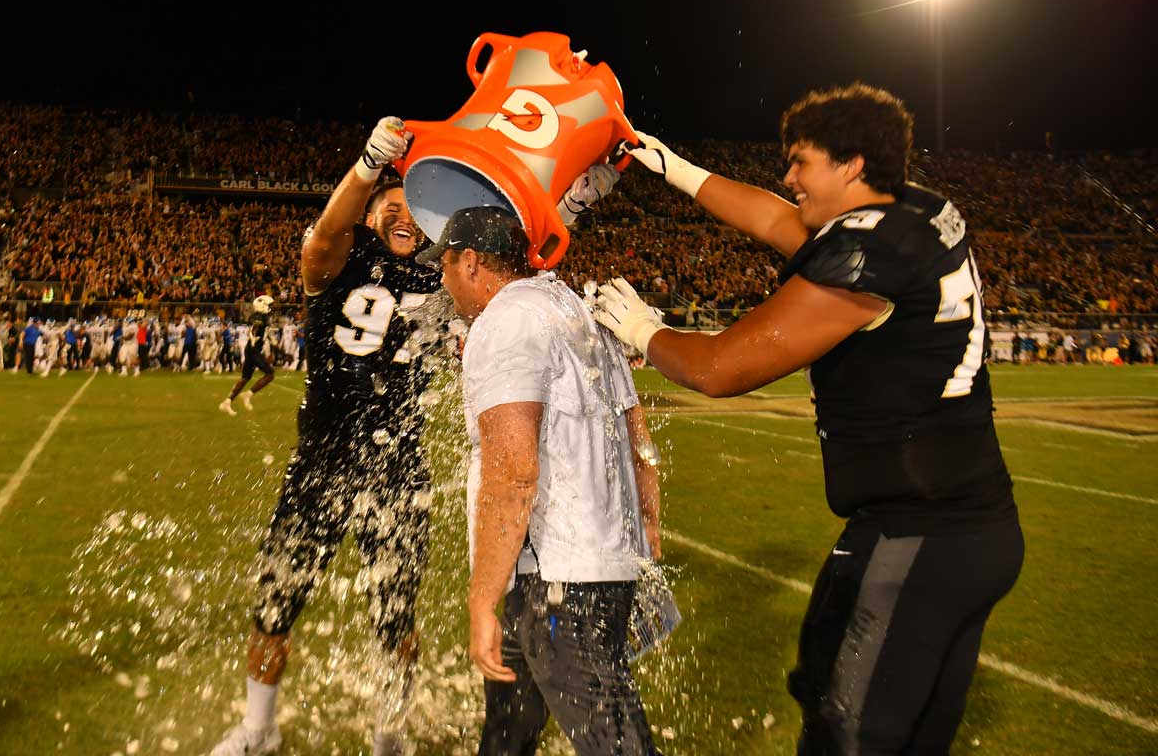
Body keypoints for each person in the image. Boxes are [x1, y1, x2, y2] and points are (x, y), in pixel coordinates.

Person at [595, 82, 1024, 755]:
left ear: (852, 165)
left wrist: (646, 330)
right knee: (904, 731)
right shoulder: (916, 209)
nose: (788, 176)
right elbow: (775, 221)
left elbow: (719, 368)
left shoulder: (871, 253)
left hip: (920, 534)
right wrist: (674, 167)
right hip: (970, 526)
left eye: (802, 162)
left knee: (844, 728)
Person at [211, 117, 441, 756]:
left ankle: (390, 732)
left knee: (396, 617)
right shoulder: (343, 260)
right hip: (323, 461)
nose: (405, 218)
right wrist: (370, 165)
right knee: (276, 603)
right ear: (370, 218)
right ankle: (259, 728)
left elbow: (506, 262)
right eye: (391, 208)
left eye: (413, 209)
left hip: (398, 465)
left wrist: (565, 203)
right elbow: (316, 247)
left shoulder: (442, 269)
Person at [421, 204, 662, 756]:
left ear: (473, 261)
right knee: (507, 733)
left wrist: (481, 600)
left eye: (447, 263)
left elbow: (512, 474)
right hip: (592, 569)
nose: (443, 278)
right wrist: (646, 519)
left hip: (555, 584)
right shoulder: (572, 304)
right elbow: (638, 431)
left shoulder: (504, 321)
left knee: (615, 744)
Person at [219, 299, 276, 415]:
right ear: (262, 306)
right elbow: (255, 326)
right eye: (269, 305)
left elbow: (261, 329)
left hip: (252, 349)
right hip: (253, 350)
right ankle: (247, 394)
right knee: (270, 374)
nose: (271, 308)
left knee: (245, 378)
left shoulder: (263, 317)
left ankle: (227, 402)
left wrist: (270, 340)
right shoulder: (259, 316)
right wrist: (253, 335)